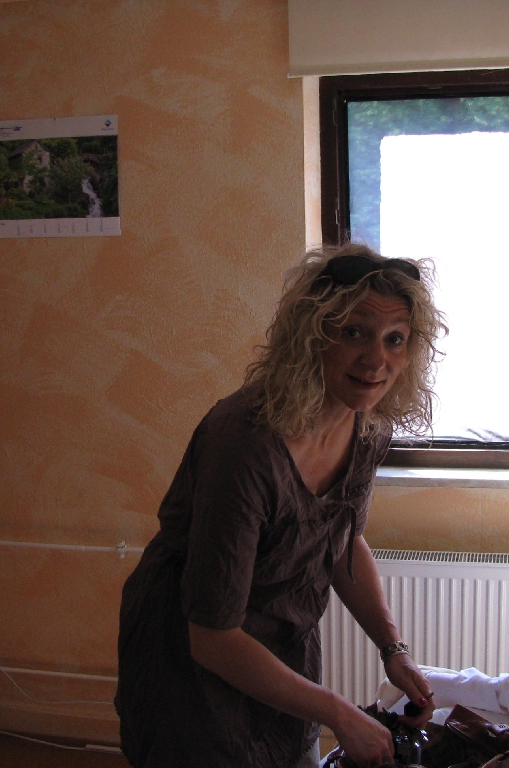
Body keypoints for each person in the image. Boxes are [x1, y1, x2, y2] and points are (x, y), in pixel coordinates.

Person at [115, 243, 446, 768]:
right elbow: (213, 638)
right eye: (353, 332)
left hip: (282, 648)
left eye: (395, 339)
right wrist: (340, 713)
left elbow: (344, 543)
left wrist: (393, 649)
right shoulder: (245, 446)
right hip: (189, 659)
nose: (375, 360)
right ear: (313, 335)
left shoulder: (366, 428)